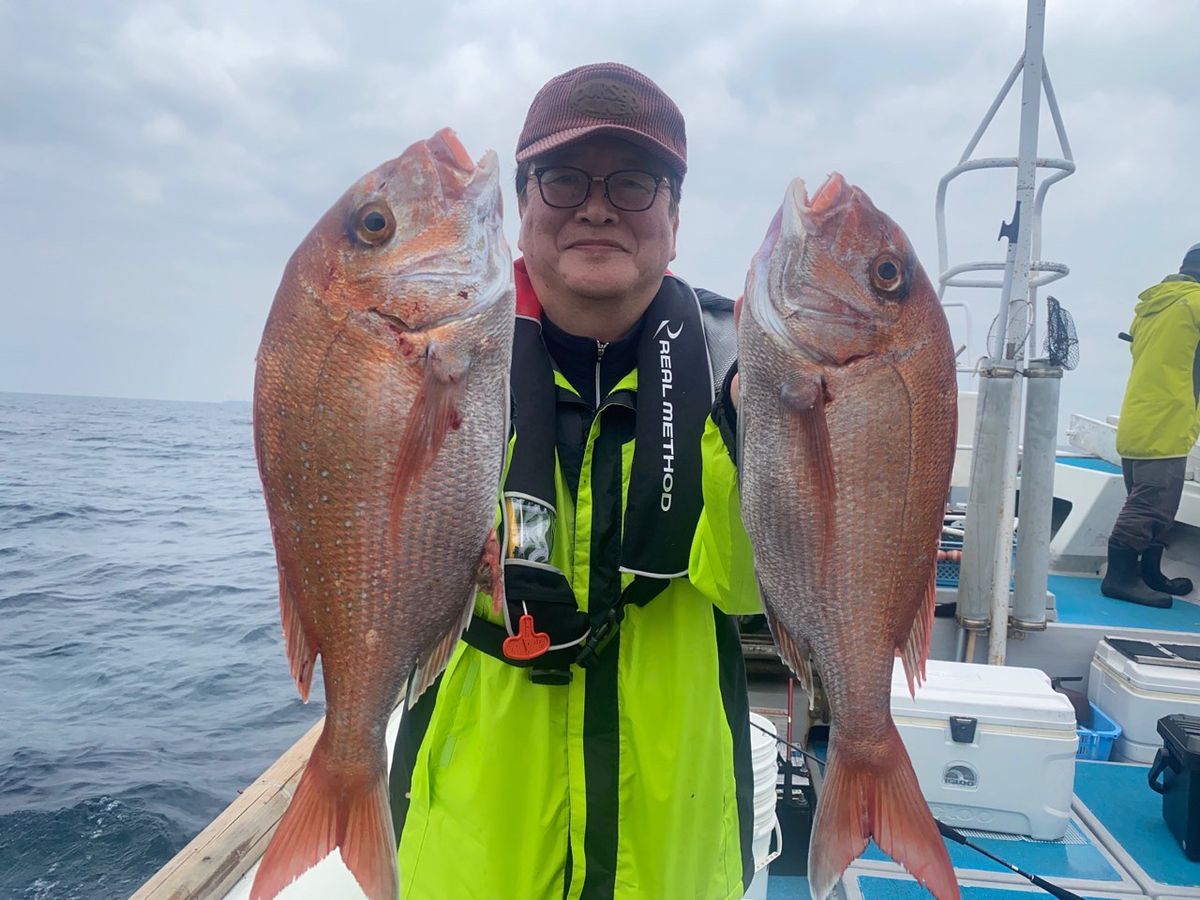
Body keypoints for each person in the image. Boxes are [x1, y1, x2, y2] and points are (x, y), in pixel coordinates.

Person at [388, 63, 762, 899]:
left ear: (673, 217)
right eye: (562, 180)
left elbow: (746, 588)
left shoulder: (745, 372)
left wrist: (754, 426)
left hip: (674, 842)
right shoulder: (439, 363)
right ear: (523, 207)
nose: (597, 207)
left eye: (633, 182)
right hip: (476, 843)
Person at [1101, 242, 1200, 608]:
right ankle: (1120, 579)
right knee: (1151, 507)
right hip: (1167, 422)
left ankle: (1149, 574)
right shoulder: (1195, 304)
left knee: (1153, 502)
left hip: (1139, 420)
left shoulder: (1152, 308)